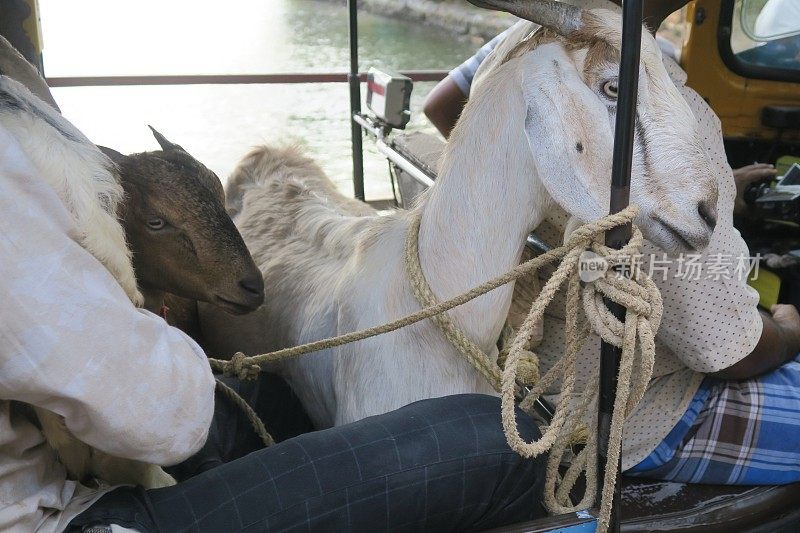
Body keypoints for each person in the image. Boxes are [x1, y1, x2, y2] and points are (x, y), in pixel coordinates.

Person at [0, 76, 546, 531]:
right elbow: (163, 417)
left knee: (276, 401)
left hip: (56, 462)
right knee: (499, 439)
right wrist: (147, 323)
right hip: (62, 518)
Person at [425, 0, 800, 485]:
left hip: (530, 373)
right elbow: (729, 351)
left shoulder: (524, 35)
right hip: (625, 418)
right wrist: (790, 329)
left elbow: (442, 106)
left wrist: (551, 198)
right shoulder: (652, 100)